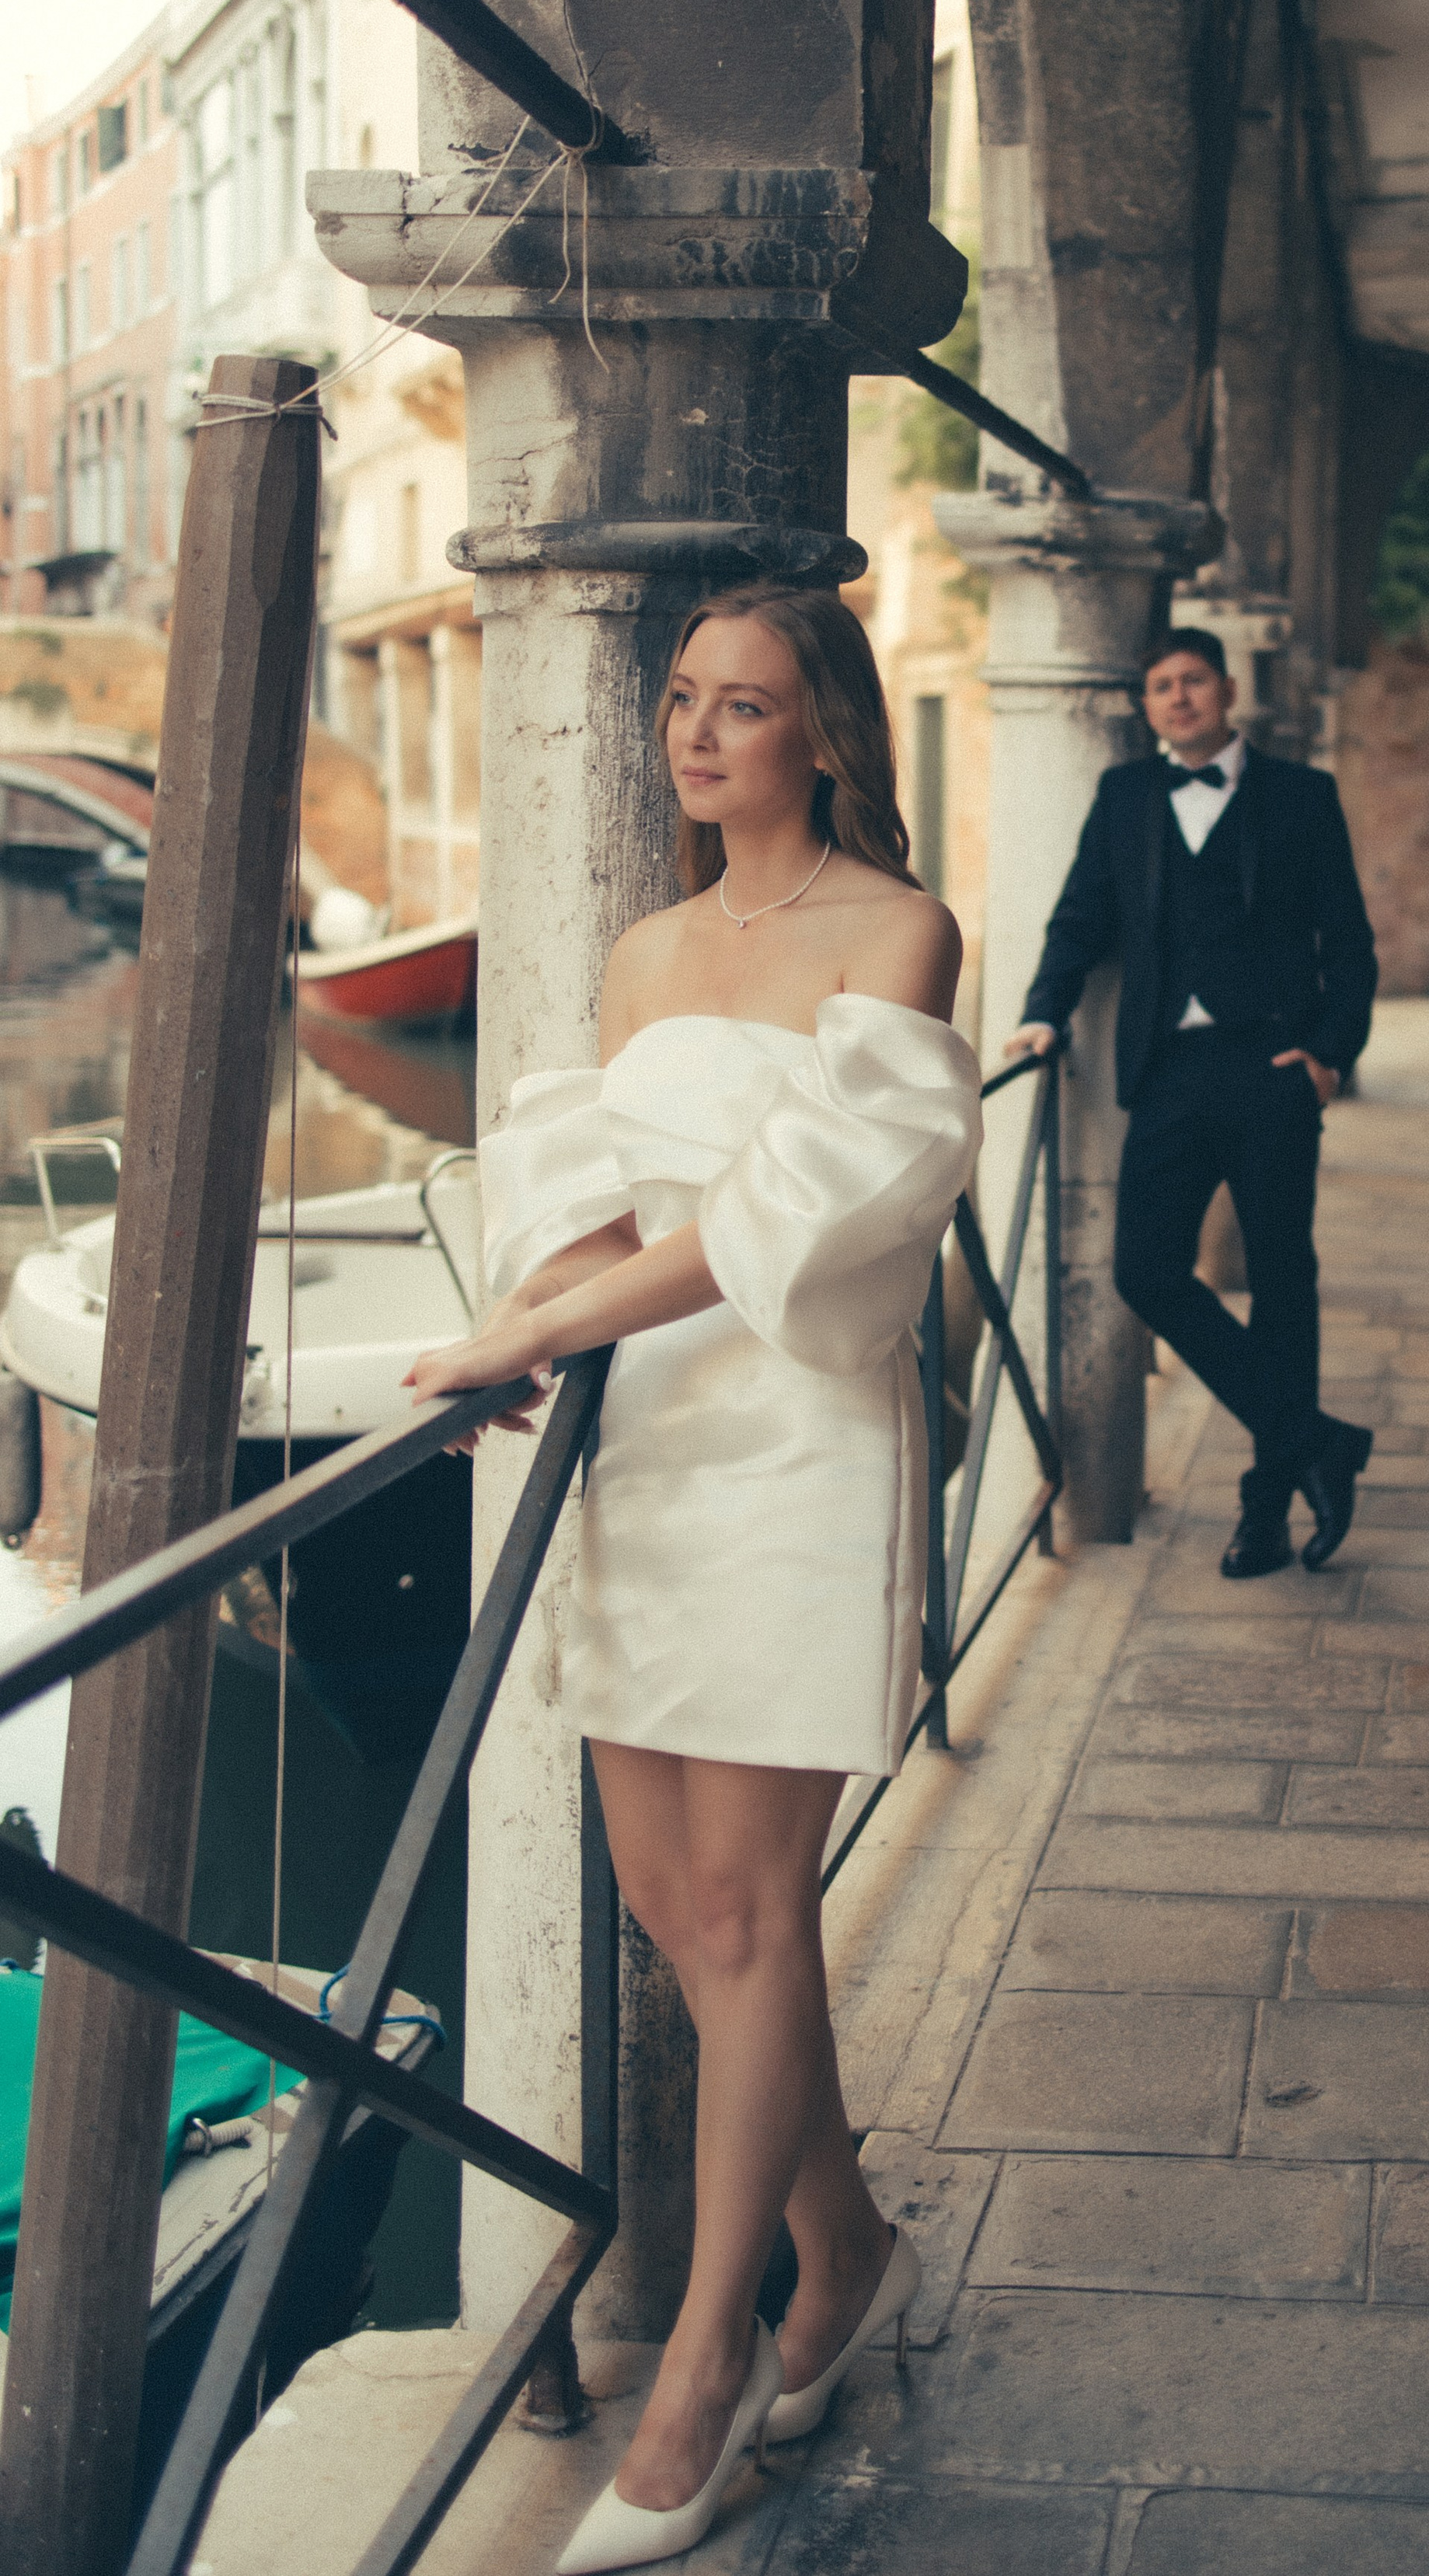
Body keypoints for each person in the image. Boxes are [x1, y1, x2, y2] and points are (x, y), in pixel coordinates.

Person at [406, 582, 981, 2572]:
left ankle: (705, 2365)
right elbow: (578, 1190)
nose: (697, 734)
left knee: (747, 1905)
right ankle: (850, 2251)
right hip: (643, 1438)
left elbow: (805, 1213)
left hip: (799, 1445)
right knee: (678, 1907)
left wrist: (535, 1328)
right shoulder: (644, 950)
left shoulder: (898, 930)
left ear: (824, 729)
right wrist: (542, 1319)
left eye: (743, 704)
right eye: (680, 700)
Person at [1006, 628, 1377, 1580]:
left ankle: (1266, 1510)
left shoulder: (1302, 795)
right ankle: (1314, 1438)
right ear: (1145, 704)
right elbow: (1078, 919)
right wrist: (1042, 1014)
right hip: (1168, 1070)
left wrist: (1330, 1054)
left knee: (1283, 1280)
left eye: (1193, 681)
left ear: (1227, 689)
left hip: (1272, 1065)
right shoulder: (1125, 796)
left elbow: (1349, 939)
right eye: (1161, 685)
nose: (1178, 697)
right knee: (1145, 1269)